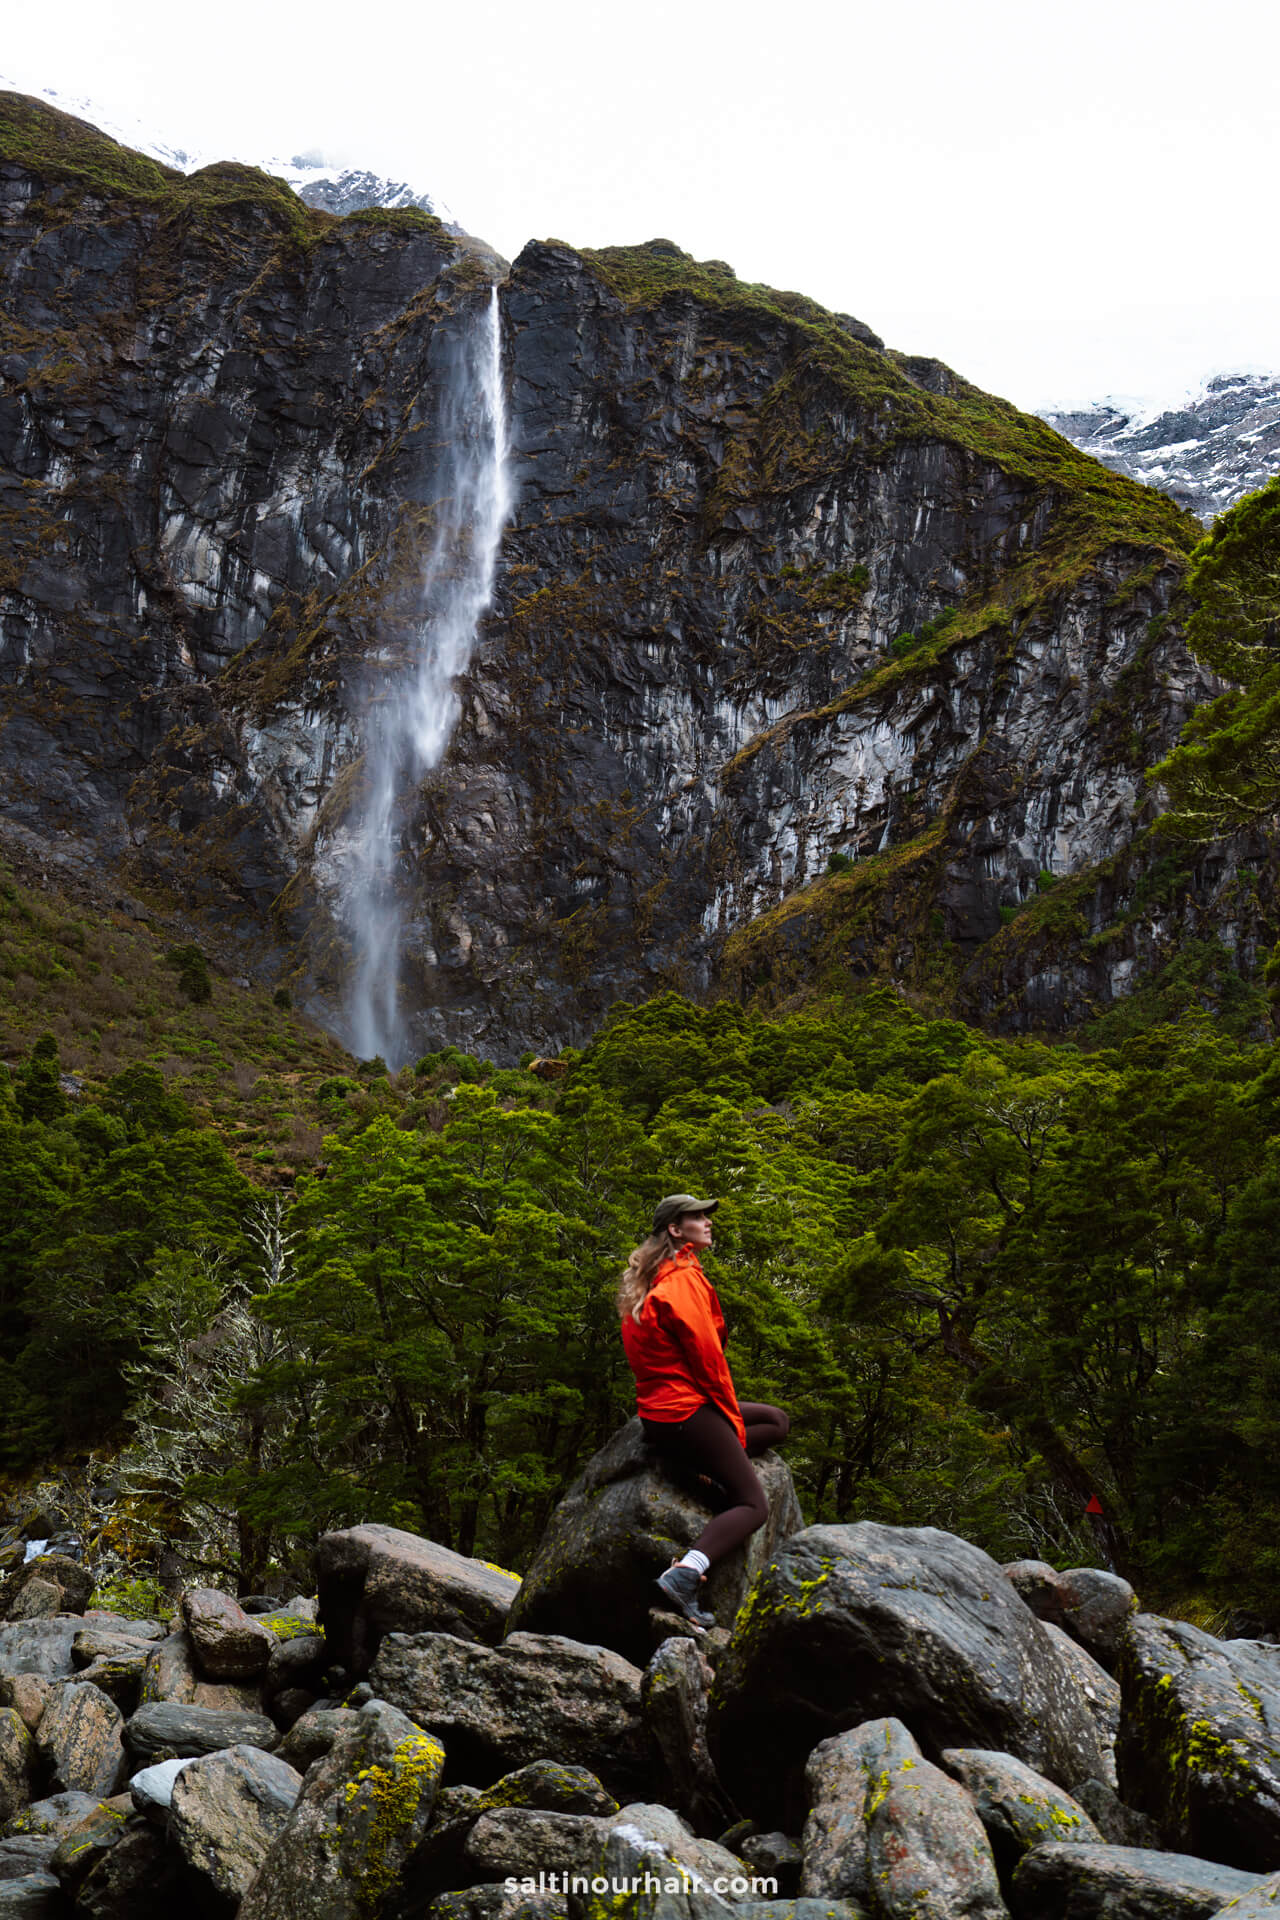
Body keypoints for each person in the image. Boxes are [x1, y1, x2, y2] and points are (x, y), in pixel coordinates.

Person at [617, 1193, 790, 1630]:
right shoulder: (680, 1282)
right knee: (753, 1505)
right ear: (676, 1229)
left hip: (662, 1414)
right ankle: (686, 1573)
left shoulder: (657, 1278)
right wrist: (727, 1419)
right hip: (684, 1412)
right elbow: (709, 1359)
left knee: (776, 1421)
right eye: (698, 1217)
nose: (707, 1223)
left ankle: (692, 1461)